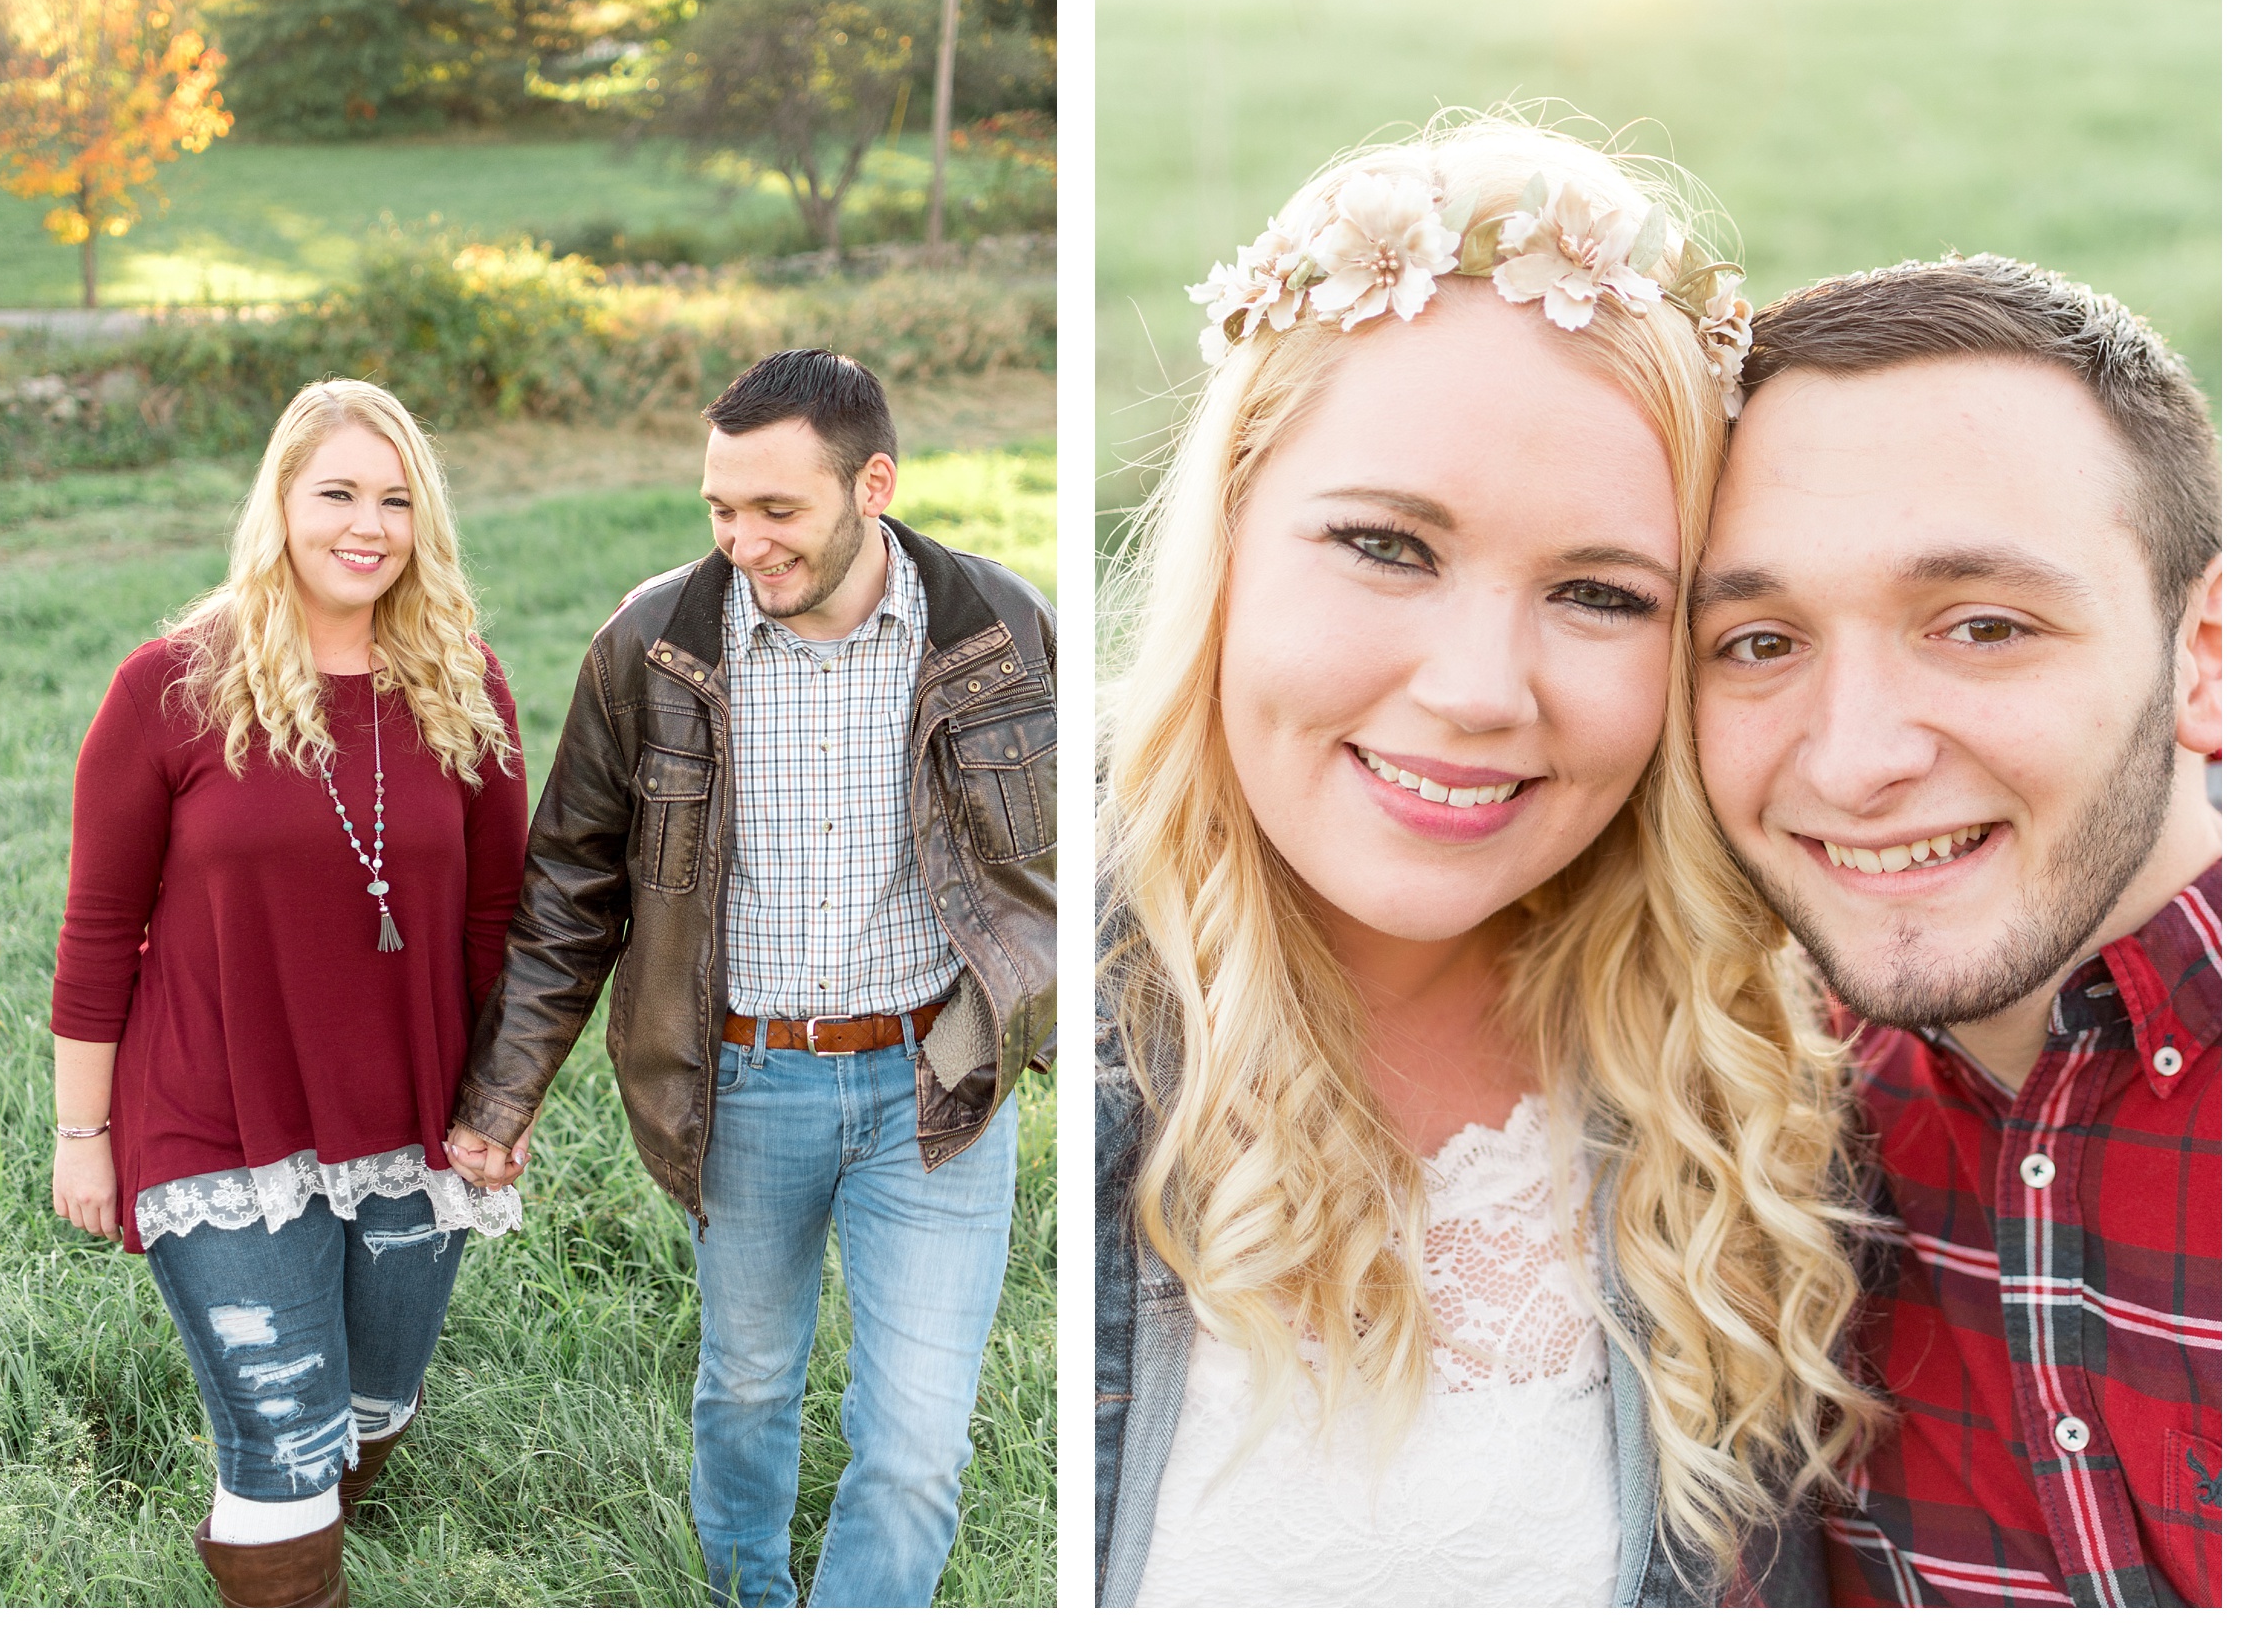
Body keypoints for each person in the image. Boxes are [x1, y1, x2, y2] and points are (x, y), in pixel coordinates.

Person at [1094, 114, 1883, 1607]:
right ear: (1231, 531)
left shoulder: (1757, 1063)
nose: (1478, 689)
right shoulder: (1030, 984)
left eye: (1599, 591)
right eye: (1388, 544)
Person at [445, 348, 1055, 1607]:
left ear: (870, 484)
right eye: (721, 509)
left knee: (913, 1449)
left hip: (932, 1088)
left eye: (777, 511)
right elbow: (571, 885)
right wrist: (503, 1101)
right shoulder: (652, 646)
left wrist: (1041, 1013)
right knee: (747, 1385)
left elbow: (1074, 851)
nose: (743, 542)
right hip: (735, 1080)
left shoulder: (997, 627)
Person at [1691, 256, 2222, 1607]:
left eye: (1983, 625)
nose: (1857, 756)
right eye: (1758, 641)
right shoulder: (1739, 1133)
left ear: (2205, 652)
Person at [48, 378, 529, 1606]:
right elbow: (99, 932)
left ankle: (322, 1496)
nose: (365, 525)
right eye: (336, 494)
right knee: (281, 1446)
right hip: (216, 1119)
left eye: (394, 499)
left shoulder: (460, 684)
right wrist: (84, 1137)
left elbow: (495, 926)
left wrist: (499, 1108)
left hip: (414, 1121)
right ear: (280, 502)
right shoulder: (169, 686)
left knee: (373, 1408)